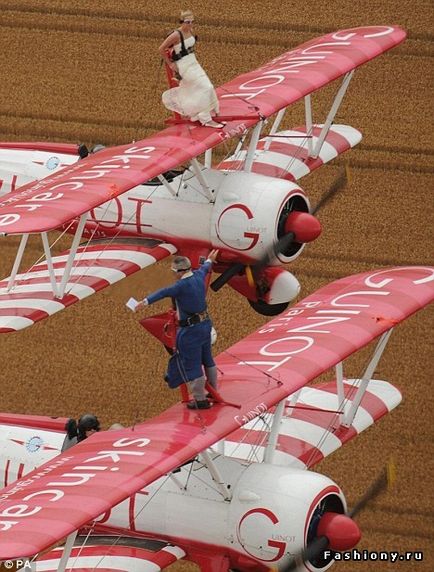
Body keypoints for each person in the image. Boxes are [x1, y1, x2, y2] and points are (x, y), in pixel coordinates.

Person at [136, 250, 219, 409]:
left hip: (191, 331)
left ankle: (200, 400)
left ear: (181, 272)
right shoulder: (198, 276)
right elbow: (205, 267)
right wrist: (210, 260)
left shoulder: (180, 286)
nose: (173, 274)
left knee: (193, 366)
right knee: (208, 359)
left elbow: (162, 293)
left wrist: (144, 302)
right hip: (205, 325)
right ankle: (214, 390)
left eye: (174, 272)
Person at [159, 10, 223, 128]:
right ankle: (205, 119)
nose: (190, 24)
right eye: (187, 22)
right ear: (182, 22)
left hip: (193, 62)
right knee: (206, 87)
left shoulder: (191, 31)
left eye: (192, 22)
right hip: (184, 66)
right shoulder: (176, 35)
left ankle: (210, 110)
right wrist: (170, 64)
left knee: (206, 85)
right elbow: (161, 49)